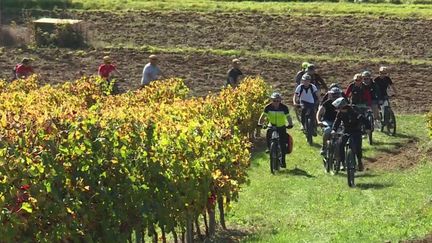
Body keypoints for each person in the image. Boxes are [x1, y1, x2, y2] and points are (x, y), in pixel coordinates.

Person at [331, 97, 371, 172]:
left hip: (356, 130)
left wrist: (368, 128)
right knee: (341, 144)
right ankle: (343, 163)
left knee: (358, 147)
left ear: (343, 107)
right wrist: (333, 130)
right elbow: (337, 122)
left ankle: (359, 161)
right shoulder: (340, 113)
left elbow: (364, 120)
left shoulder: (354, 111)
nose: (338, 110)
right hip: (346, 130)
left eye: (339, 108)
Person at [258, 92, 294, 168]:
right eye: (274, 100)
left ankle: (283, 161)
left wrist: (290, 124)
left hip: (281, 126)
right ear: (271, 100)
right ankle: (269, 148)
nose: (276, 102)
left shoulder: (284, 107)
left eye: (278, 101)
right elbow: (262, 117)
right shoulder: (268, 107)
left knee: (282, 143)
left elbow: (288, 117)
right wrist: (260, 123)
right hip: (272, 125)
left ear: (280, 101)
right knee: (268, 133)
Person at [316, 87, 342, 155]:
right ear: (330, 95)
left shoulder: (342, 103)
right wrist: (319, 121)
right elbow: (319, 112)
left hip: (339, 122)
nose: (335, 97)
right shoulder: (327, 103)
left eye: (337, 95)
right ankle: (324, 146)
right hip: (328, 121)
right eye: (334, 95)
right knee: (327, 131)